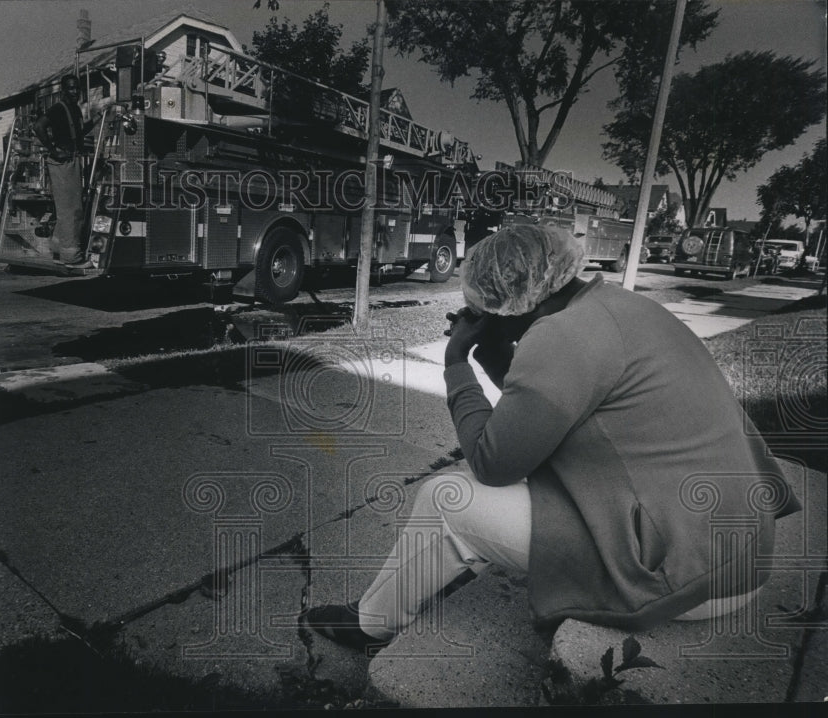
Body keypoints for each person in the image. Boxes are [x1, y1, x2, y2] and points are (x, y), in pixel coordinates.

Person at [303, 223, 801, 653]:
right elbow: (545, 413)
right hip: (734, 552)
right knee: (520, 486)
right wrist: (494, 356)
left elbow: (493, 461)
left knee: (446, 498)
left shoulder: (561, 335)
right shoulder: (616, 306)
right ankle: (437, 572)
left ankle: (371, 625)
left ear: (513, 299)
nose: (481, 314)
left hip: (689, 578)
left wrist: (456, 363)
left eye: (483, 307)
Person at [33, 73, 105, 268]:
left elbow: (79, 133)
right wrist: (53, 150)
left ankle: (58, 248)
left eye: (77, 88)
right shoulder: (58, 108)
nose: (75, 92)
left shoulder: (75, 110)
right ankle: (72, 257)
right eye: (71, 88)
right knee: (71, 210)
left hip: (72, 160)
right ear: (63, 91)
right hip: (62, 162)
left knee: (71, 207)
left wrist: (99, 117)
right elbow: (38, 126)